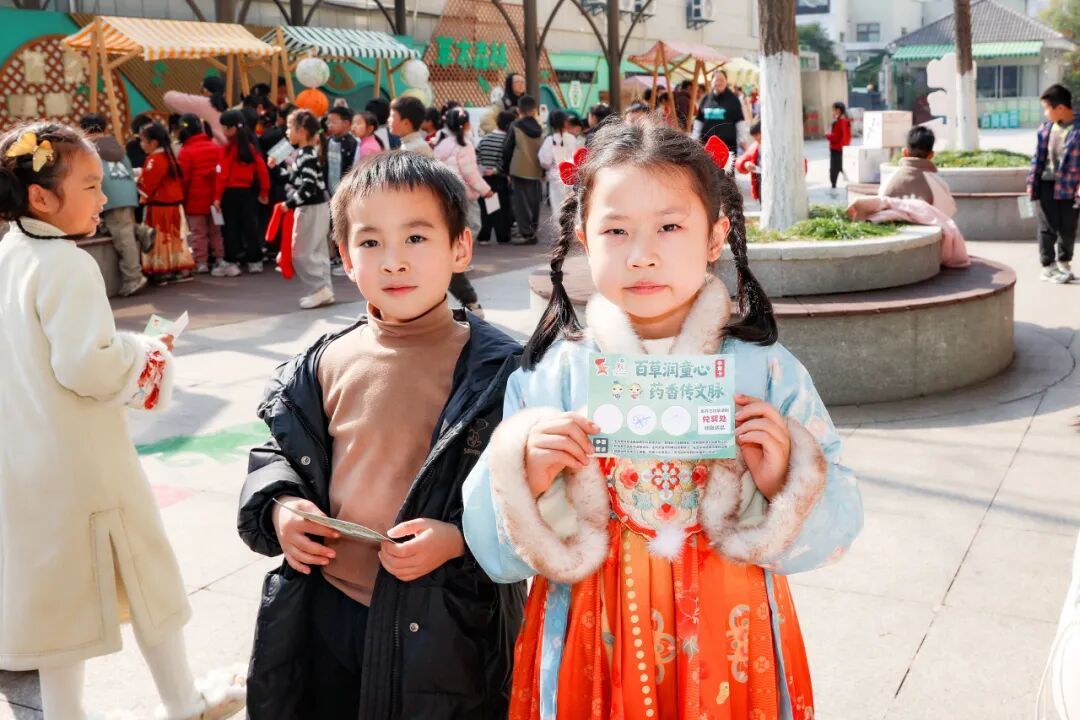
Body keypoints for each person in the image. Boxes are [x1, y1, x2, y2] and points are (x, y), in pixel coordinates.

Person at [462, 119, 863, 719]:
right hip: (592, 621)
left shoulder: (765, 371)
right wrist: (530, 478)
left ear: (715, 235)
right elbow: (493, 547)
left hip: (729, 619)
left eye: (670, 227)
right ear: (583, 237)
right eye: (616, 230)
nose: (642, 255)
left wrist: (786, 478)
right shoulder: (553, 375)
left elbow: (841, 518)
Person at [237, 151, 525, 720]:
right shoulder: (321, 363)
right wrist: (282, 507)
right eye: (370, 243)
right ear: (345, 257)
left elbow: (528, 495)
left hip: (446, 621)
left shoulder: (500, 371)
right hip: (330, 610)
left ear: (460, 248)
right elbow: (280, 455)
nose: (394, 262)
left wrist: (459, 539)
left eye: (416, 238)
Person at [0, 121, 246, 720]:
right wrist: (148, 353)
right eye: (90, 185)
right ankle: (182, 701)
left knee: (59, 604)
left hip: (28, 461)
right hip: (88, 464)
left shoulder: (10, 255)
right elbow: (88, 366)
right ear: (41, 197)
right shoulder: (67, 264)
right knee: (148, 576)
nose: (105, 196)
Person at [79, 112, 147, 296]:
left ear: (84, 130)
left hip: (112, 196)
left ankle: (134, 277)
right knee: (123, 228)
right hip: (127, 192)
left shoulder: (88, 149)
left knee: (123, 240)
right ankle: (143, 231)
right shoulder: (116, 146)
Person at [434, 107, 492, 318]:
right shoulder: (464, 144)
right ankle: (460, 257)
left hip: (445, 196)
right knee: (472, 227)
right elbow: (470, 174)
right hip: (464, 196)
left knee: (454, 232)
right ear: (466, 124)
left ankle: (458, 257)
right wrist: (486, 190)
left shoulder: (441, 144)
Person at [278, 108, 334, 308]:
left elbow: (308, 186)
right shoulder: (307, 154)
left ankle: (319, 289)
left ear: (301, 131)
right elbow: (300, 179)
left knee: (302, 252)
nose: (287, 132)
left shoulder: (306, 155)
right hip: (318, 207)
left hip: (311, 208)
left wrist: (289, 203)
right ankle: (324, 290)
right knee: (317, 250)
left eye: (289, 127)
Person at [1028, 83, 1080, 284]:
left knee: (1068, 226)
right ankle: (1047, 266)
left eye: (1046, 108)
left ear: (1060, 108)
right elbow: (1037, 158)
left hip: (1070, 186)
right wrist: (1031, 181)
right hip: (1046, 184)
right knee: (1047, 226)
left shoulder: (1077, 129)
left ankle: (1064, 263)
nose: (1045, 113)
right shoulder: (1045, 129)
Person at [213, 109, 270, 276]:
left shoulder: (228, 150)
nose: (223, 130)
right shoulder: (251, 148)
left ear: (232, 129)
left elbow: (222, 175)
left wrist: (217, 197)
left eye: (224, 127)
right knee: (250, 227)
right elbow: (262, 170)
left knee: (231, 228)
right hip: (248, 192)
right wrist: (264, 191)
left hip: (230, 194)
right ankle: (255, 262)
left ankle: (230, 262)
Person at [138, 122, 195, 284]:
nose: (141, 144)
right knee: (174, 239)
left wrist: (136, 183)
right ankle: (178, 269)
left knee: (160, 240)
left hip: (160, 207)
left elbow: (146, 186)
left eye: (143, 141)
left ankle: (162, 272)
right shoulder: (169, 157)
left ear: (153, 143)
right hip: (174, 206)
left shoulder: (154, 159)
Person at [177, 113, 226, 274]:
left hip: (194, 201)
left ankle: (202, 262)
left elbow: (183, 179)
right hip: (215, 199)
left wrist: (181, 197)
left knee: (198, 233)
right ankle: (220, 259)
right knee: (215, 231)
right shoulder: (215, 147)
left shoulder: (186, 151)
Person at [879, 126, 957, 216]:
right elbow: (948, 211)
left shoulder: (889, 180)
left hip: (891, 225)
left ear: (905, 152)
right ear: (931, 155)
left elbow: (879, 206)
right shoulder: (937, 183)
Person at [502, 94, 544, 245]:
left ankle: (526, 233)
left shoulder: (515, 126)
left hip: (519, 169)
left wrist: (505, 170)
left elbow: (507, 149)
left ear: (519, 110)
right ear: (534, 110)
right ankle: (532, 231)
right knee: (534, 202)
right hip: (536, 169)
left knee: (520, 203)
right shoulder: (540, 128)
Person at [476, 109, 515, 245]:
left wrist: (483, 169)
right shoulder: (507, 140)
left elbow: (478, 157)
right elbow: (505, 161)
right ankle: (502, 235)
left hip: (484, 178)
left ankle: (484, 235)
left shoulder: (484, 139)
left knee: (486, 208)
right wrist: (496, 170)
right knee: (501, 208)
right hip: (499, 177)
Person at [692, 69, 747, 164]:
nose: (719, 82)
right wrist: (695, 137)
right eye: (717, 80)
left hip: (728, 147)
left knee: (726, 172)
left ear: (726, 82)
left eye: (722, 80)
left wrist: (742, 140)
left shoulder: (733, 100)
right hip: (707, 147)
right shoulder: (706, 99)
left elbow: (739, 121)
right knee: (707, 171)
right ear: (712, 82)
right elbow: (699, 120)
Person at [164, 75, 228, 145]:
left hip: (208, 148)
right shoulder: (225, 109)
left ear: (205, 90)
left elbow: (168, 97)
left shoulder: (204, 103)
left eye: (201, 90)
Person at [538, 108, 579, 214]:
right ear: (565, 122)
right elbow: (577, 159)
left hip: (555, 178)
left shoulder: (549, 140)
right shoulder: (572, 139)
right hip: (571, 178)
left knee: (557, 209)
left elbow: (545, 161)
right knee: (571, 209)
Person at [322, 106, 358, 197]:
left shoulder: (352, 143)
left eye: (333, 122)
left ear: (346, 123)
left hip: (345, 190)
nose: (330, 125)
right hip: (330, 189)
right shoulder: (328, 141)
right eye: (328, 122)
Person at [826, 101, 852, 195]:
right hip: (842, 148)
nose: (833, 112)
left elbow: (836, 137)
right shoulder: (845, 120)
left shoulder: (841, 121)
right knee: (840, 168)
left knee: (835, 169)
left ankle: (834, 188)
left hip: (837, 149)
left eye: (834, 110)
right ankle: (848, 184)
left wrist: (827, 135)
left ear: (838, 110)